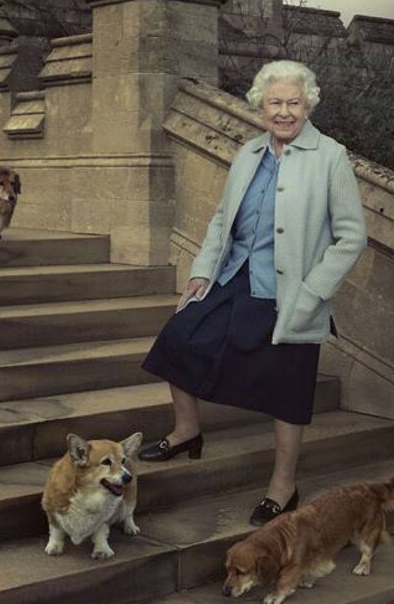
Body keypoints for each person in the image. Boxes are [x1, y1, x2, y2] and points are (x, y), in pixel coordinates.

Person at [139, 59, 367, 526]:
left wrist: (314, 292)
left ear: (308, 106)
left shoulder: (330, 156)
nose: (284, 112)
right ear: (260, 106)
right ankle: (186, 431)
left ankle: (283, 487)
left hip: (292, 292)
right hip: (236, 276)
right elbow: (224, 218)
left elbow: (351, 236)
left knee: (288, 388)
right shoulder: (248, 154)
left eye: (293, 103)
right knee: (178, 339)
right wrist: (203, 271)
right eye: (275, 103)